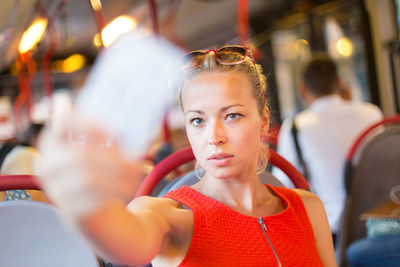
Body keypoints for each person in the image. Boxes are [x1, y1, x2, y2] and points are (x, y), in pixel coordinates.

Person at [36, 45, 337, 266]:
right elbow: (128, 239)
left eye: (232, 116)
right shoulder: (172, 216)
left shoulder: (308, 208)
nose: (214, 136)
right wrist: (87, 204)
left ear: (264, 121)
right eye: (198, 120)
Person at [272, 55, 383, 244]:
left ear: (302, 89)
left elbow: (283, 184)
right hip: (376, 224)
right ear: (339, 83)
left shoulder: (296, 126)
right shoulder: (372, 113)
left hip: (330, 232)